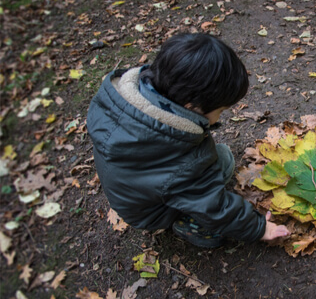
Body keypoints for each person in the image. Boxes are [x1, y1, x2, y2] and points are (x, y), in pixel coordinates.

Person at [87, 33, 289, 248]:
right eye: (220, 110)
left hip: (132, 192)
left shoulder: (123, 101)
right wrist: (257, 227)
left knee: (215, 160)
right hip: (151, 213)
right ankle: (189, 225)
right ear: (191, 105)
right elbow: (213, 206)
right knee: (224, 161)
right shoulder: (181, 161)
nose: (221, 116)